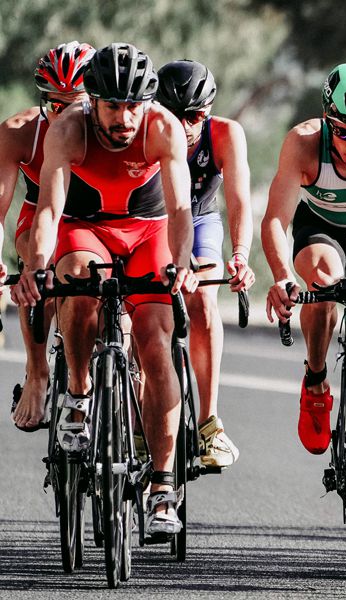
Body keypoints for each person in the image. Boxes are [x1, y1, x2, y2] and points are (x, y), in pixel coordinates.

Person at [11, 43, 200, 535]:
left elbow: (181, 210)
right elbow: (49, 211)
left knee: (157, 343)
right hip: (85, 226)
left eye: (133, 104)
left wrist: (181, 263)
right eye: (113, 105)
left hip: (148, 231)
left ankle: (161, 487)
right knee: (74, 280)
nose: (124, 116)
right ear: (91, 101)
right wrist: (35, 267)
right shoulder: (68, 128)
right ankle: (77, 392)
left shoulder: (163, 127)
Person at [262, 62, 346, 455]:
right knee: (326, 278)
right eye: (343, 134)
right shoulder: (303, 143)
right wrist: (283, 275)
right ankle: (316, 378)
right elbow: (274, 220)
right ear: (326, 118)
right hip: (320, 226)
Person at [156, 59, 254, 468]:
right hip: (154, 218)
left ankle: (208, 422)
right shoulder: (148, 130)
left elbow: (240, 203)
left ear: (208, 112)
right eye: (174, 115)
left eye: (194, 116)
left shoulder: (226, 134)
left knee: (205, 305)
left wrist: (240, 256)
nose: (184, 125)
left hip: (199, 217)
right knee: (144, 308)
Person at [1, 41, 94, 432]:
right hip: (40, 214)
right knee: (40, 263)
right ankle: (37, 372)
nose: (65, 114)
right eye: (56, 104)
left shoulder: (111, 130)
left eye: (76, 104)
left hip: (99, 218)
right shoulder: (20, 132)